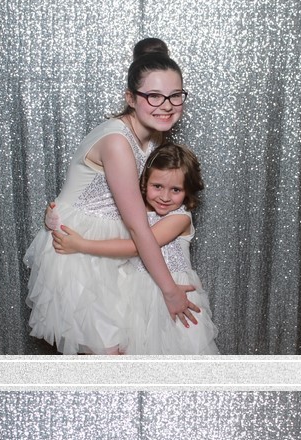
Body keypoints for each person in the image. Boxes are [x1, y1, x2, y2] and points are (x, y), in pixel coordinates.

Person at [50, 143, 219, 355]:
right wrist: (57, 215)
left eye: (175, 190)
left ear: (187, 191)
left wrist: (81, 245)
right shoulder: (134, 211)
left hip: (172, 294)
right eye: (157, 186)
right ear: (145, 181)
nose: (165, 197)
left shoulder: (180, 218)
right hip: (133, 295)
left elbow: (136, 247)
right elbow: (97, 213)